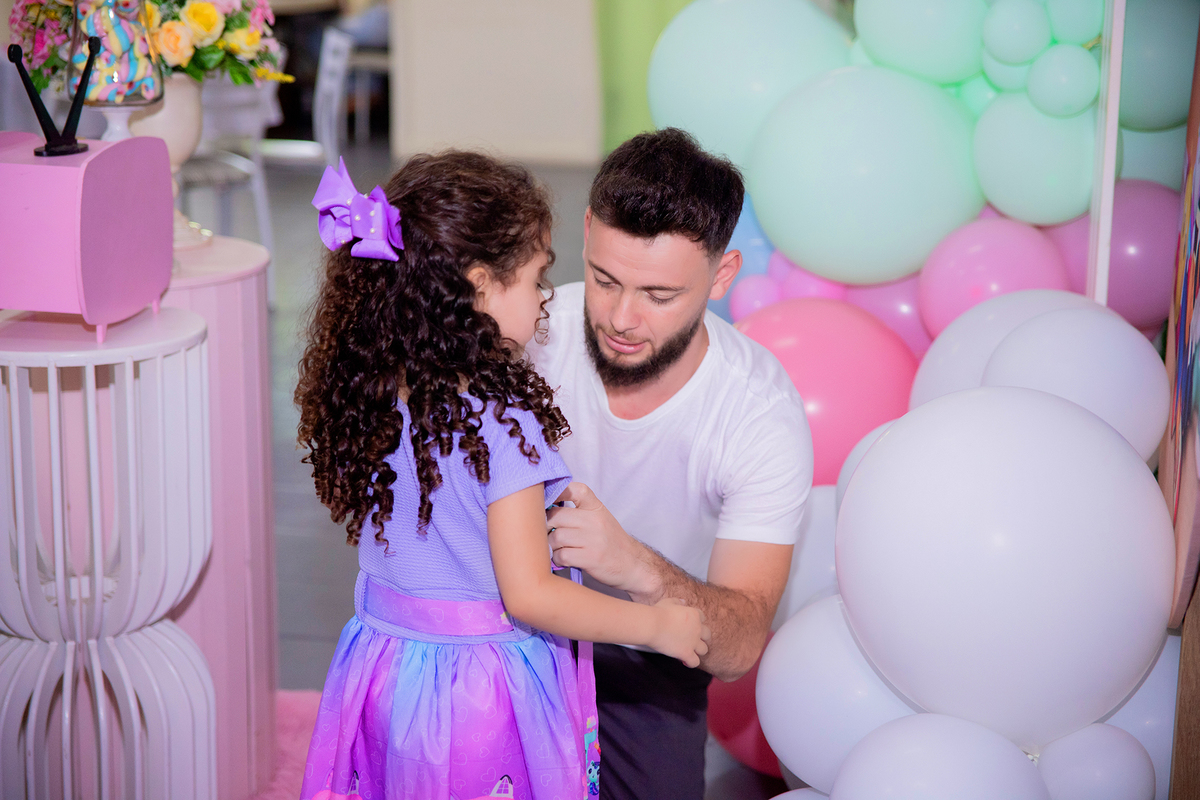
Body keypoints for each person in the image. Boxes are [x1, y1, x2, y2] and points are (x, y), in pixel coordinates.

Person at [294, 151, 710, 800]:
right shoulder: (501, 424)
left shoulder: (374, 385)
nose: (546, 298)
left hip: (387, 669)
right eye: (538, 279)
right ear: (481, 285)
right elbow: (531, 596)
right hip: (477, 699)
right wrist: (659, 626)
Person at [532, 128, 814, 800]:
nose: (622, 318)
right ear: (589, 231)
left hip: (650, 657)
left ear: (722, 276)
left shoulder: (758, 411)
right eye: (605, 279)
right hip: (512, 626)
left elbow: (741, 645)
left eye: (659, 296)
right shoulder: (533, 335)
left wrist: (632, 565)